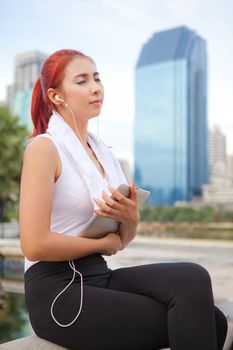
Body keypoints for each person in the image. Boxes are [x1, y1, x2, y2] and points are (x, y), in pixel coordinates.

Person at [19, 49, 228, 350]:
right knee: (202, 320)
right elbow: (34, 245)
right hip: (57, 290)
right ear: (56, 96)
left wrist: (130, 220)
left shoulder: (103, 155)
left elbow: (120, 241)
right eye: (82, 81)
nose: (95, 87)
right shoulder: (44, 148)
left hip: (96, 274)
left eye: (97, 78)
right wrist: (101, 245)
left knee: (195, 282)